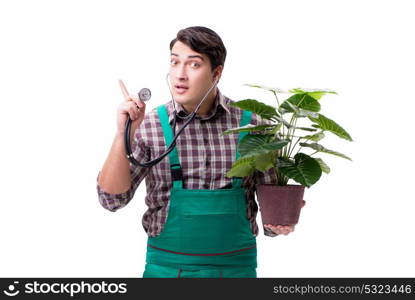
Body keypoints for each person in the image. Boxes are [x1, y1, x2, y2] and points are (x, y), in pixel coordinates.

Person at [96, 26, 303, 278]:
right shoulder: (151, 125)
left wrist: (282, 218)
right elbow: (112, 200)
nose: (180, 75)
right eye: (174, 62)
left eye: (194, 65)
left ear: (216, 73)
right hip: (167, 271)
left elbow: (272, 220)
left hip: (236, 272)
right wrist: (123, 134)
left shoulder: (253, 126)